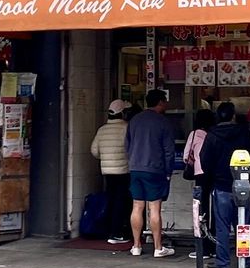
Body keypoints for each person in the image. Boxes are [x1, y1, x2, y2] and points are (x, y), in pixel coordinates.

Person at [199, 101, 250, 268]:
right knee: (243, 224)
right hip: (243, 184)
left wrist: (212, 177)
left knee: (222, 226)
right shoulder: (243, 133)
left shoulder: (212, 135)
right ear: (233, 116)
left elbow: (204, 161)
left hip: (221, 186)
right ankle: (245, 260)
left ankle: (223, 261)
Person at [125, 89, 175, 258]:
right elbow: (169, 150)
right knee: (154, 208)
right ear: (160, 102)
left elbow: (127, 145)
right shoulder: (163, 122)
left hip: (135, 168)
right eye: (165, 101)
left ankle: (137, 246)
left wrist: (132, 161)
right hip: (154, 169)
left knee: (137, 206)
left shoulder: (134, 120)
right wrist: (168, 171)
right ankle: (158, 247)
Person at [91, 99, 132, 244]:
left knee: (111, 199)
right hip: (124, 171)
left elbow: (94, 151)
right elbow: (131, 149)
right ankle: (119, 232)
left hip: (107, 172)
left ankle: (110, 231)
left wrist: (106, 158)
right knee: (123, 202)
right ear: (122, 113)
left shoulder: (102, 130)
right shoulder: (126, 128)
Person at [183, 107, 216, 259]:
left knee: (200, 210)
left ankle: (203, 248)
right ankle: (215, 246)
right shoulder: (215, 134)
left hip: (200, 175)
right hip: (214, 175)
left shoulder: (195, 134)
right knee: (214, 210)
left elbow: (186, 156)